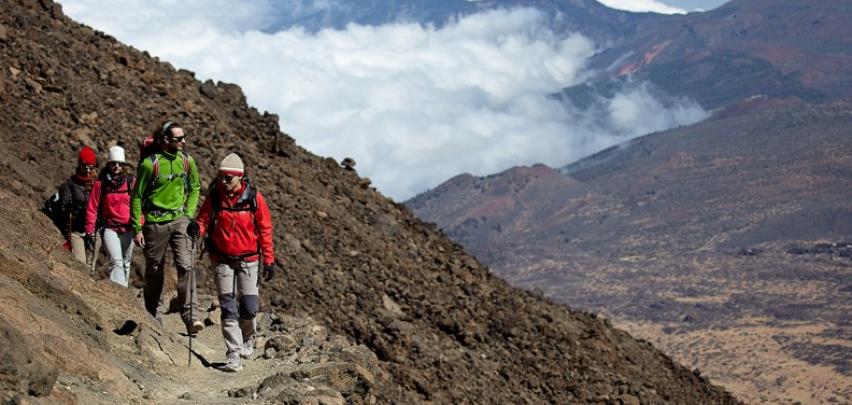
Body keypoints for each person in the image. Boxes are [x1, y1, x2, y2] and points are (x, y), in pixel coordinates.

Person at [189, 153, 275, 372]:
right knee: (228, 307)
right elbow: (203, 220)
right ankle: (233, 355)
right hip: (222, 259)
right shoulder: (215, 196)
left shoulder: (254, 198)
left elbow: (265, 230)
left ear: (240, 177)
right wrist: (196, 229)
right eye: (221, 177)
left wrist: (269, 260)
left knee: (249, 306)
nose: (223, 181)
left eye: (228, 178)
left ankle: (248, 338)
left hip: (249, 259)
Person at [131, 121, 202, 334]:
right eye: (178, 138)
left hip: (180, 219)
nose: (183, 141)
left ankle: (191, 317)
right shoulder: (149, 165)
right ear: (165, 140)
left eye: (183, 137)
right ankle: (153, 314)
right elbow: (137, 197)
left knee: (186, 265)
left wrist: (188, 214)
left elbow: (195, 187)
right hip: (155, 222)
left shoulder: (187, 161)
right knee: (154, 269)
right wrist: (137, 227)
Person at [85, 146, 136, 287]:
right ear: (109, 164)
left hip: (128, 228)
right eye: (114, 163)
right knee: (116, 261)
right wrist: (90, 229)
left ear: (124, 165)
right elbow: (92, 208)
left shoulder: (131, 182)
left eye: (120, 164)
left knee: (126, 262)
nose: (117, 167)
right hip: (110, 228)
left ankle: (124, 293)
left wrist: (140, 226)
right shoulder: (101, 184)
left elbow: (138, 205)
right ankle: (117, 294)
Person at [60, 145, 100, 267]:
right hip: (77, 230)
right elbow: (64, 206)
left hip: (94, 230)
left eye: (91, 167)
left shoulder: (98, 183)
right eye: (85, 167)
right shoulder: (71, 184)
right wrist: (70, 209)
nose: (88, 170)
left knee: (91, 265)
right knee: (81, 265)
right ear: (79, 165)